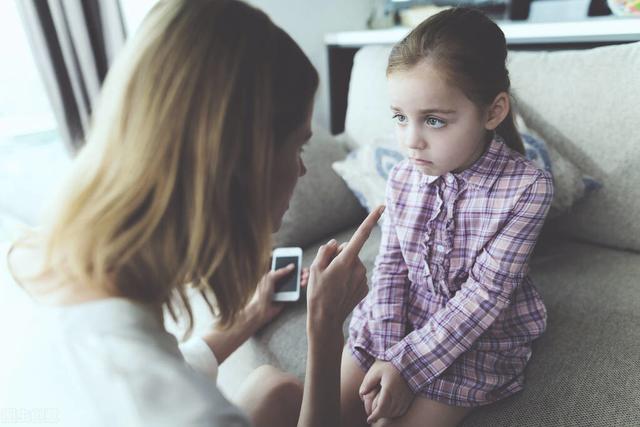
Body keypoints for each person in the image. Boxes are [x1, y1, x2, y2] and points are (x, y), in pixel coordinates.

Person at [0, 1, 383, 426]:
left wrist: (252, 314)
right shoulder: (192, 413)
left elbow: (167, 361)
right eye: (297, 147)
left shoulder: (51, 278)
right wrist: (325, 327)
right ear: (239, 169)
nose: (302, 170)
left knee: (274, 390)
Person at [340, 8, 554, 427]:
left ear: (493, 112)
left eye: (434, 120)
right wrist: (388, 349)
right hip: (396, 316)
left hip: (473, 337)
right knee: (334, 410)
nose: (411, 141)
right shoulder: (402, 175)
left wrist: (406, 365)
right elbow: (391, 266)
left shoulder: (529, 189)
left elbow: (484, 297)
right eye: (400, 117)